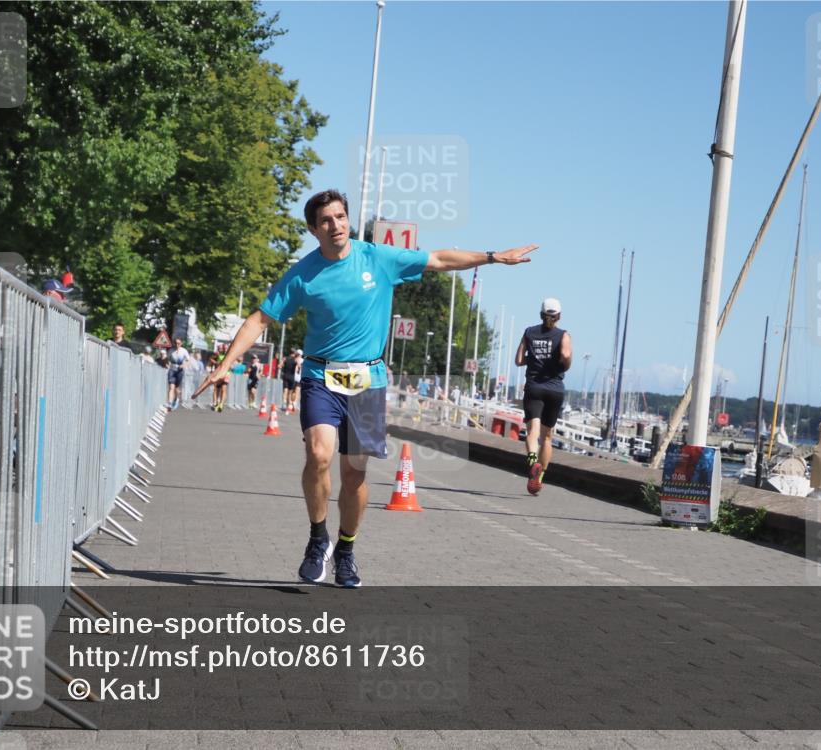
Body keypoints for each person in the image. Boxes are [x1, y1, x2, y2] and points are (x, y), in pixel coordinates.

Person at [194, 189, 536, 587]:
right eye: (326, 220)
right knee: (319, 455)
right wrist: (225, 364)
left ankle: (346, 549)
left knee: (354, 474)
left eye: (340, 217)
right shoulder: (303, 274)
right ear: (313, 228)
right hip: (321, 377)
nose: (335, 225)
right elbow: (259, 319)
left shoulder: (377, 257)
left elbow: (440, 259)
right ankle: (317, 538)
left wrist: (494, 257)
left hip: (368, 381)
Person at [514, 297, 572, 495]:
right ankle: (540, 475)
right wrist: (563, 363)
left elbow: (519, 360)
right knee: (547, 437)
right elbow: (565, 356)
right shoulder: (563, 335)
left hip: (534, 387)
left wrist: (534, 358)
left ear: (541, 313)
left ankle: (532, 460)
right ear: (559, 316)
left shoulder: (529, 332)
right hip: (555, 389)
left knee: (533, 430)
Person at [167, 337, 190, 410]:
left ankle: (176, 399)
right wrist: (168, 365)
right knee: (171, 387)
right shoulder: (171, 351)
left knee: (177, 388)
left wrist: (184, 365)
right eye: (176, 343)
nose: (177, 345)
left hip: (180, 371)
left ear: (181, 344)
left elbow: (188, 361)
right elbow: (167, 360)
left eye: (179, 343)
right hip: (172, 370)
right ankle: (170, 403)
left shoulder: (184, 351)